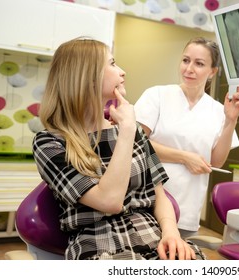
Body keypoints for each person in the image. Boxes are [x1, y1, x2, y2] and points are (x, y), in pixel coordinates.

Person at [32, 37, 206, 260]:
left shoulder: (131, 130)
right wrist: (126, 131)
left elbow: (159, 194)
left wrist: (172, 234)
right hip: (99, 246)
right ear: (87, 77)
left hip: (153, 237)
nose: (123, 72)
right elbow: (110, 201)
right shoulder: (50, 143)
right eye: (113, 64)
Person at [134, 37, 239, 238]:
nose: (189, 68)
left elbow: (216, 161)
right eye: (186, 60)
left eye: (199, 64)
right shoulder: (157, 95)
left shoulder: (218, 110)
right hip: (145, 202)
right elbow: (135, 144)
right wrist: (185, 157)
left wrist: (230, 122)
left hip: (187, 208)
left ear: (212, 72)